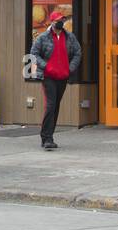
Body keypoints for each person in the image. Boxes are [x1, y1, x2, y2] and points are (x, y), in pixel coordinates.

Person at [29, 11, 81, 150]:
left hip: (63, 76)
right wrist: (46, 67)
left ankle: (49, 136)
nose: (61, 22)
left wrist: (70, 68)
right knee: (51, 105)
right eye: (58, 20)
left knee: (56, 106)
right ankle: (46, 138)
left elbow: (77, 52)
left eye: (62, 20)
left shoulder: (69, 37)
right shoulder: (43, 37)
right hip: (48, 77)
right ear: (52, 22)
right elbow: (34, 53)